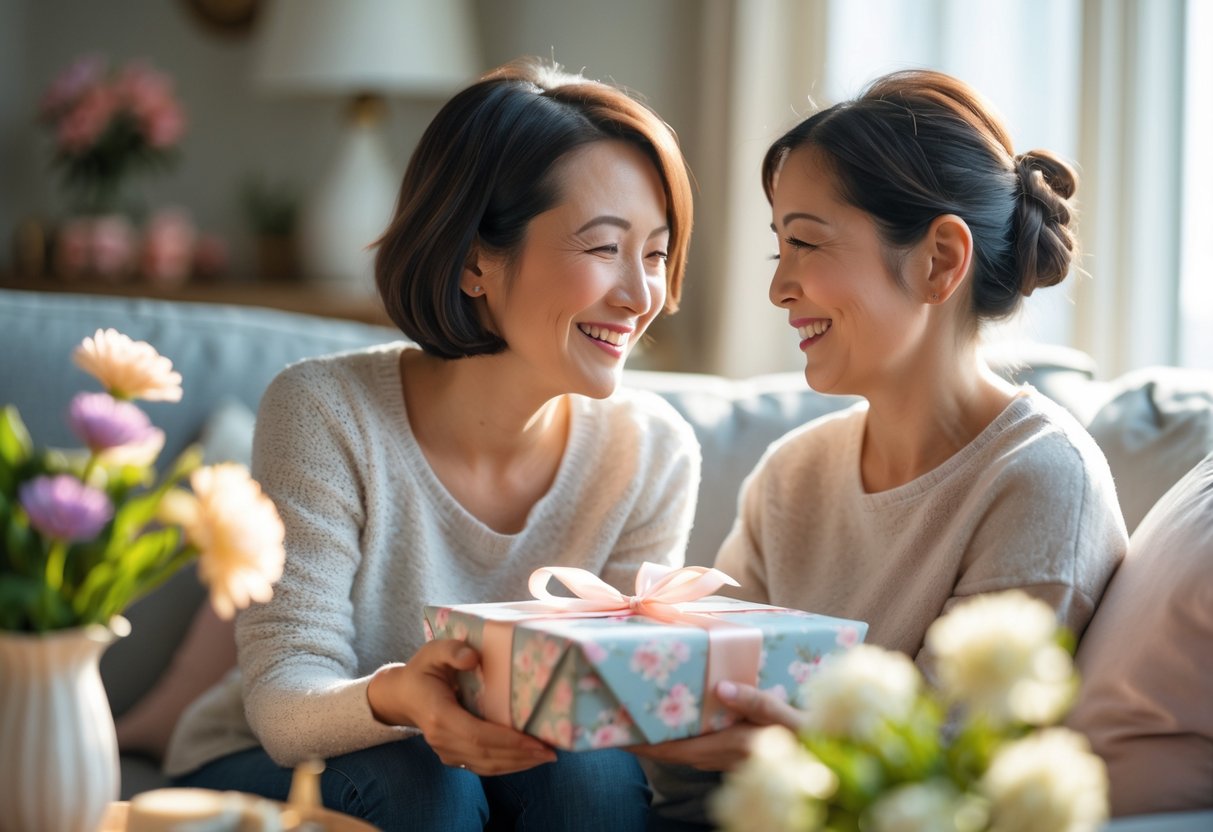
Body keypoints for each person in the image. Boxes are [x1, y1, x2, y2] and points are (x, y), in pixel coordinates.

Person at [165, 58, 699, 832]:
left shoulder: (650, 451)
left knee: (589, 773)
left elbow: (615, 709)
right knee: (420, 773)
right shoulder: (325, 410)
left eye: (653, 253)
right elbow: (283, 700)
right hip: (272, 757)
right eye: (602, 247)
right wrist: (399, 697)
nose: (641, 294)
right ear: (477, 259)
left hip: (511, 774)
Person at [634, 69, 1128, 827]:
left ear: (938, 262)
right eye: (778, 249)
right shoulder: (792, 474)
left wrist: (781, 746)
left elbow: (941, 784)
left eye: (804, 243)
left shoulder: (1039, 482)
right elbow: (698, 690)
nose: (780, 289)